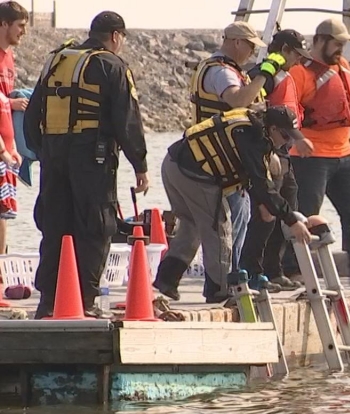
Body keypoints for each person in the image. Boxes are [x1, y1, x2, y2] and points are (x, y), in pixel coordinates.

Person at [24, 11, 148, 319]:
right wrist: (140, 165)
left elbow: (32, 114)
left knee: (55, 224)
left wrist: (42, 150)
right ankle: (86, 300)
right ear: (115, 36)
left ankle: (48, 302)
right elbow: (127, 120)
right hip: (93, 156)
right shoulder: (111, 65)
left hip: (53, 153)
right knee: (95, 224)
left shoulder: (56, 61)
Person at [152, 106, 313, 303]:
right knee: (219, 227)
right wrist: (292, 221)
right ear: (272, 130)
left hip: (173, 163)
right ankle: (219, 291)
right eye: (286, 137)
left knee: (192, 225)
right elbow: (262, 183)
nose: (287, 143)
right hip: (194, 174)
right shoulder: (253, 139)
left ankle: (166, 279)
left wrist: (266, 204)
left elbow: (249, 176)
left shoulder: (251, 127)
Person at [189, 21, 281, 292]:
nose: (252, 53)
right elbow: (238, 101)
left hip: (227, 155)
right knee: (231, 223)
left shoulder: (230, 71)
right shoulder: (221, 72)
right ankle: (225, 285)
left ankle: (233, 280)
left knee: (240, 217)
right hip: (220, 158)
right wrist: (264, 75)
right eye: (251, 46)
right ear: (237, 42)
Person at [284, 17, 350, 286]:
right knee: (305, 215)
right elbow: (284, 112)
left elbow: (346, 106)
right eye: (336, 44)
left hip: (345, 156)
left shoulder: (342, 67)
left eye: (343, 45)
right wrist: (296, 139)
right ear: (320, 40)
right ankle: (294, 269)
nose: (340, 50)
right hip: (310, 158)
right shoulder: (300, 72)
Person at [238, 29, 314, 292]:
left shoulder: (287, 75)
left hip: (284, 150)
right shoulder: (265, 75)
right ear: (283, 50)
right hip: (269, 150)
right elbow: (255, 110)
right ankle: (254, 271)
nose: (299, 61)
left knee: (287, 206)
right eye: (296, 54)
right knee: (266, 212)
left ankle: (274, 269)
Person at [0, 0, 27, 255]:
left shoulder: (9, 58)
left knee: (5, 210)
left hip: (7, 144)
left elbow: (4, 107)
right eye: (19, 26)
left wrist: (15, 145)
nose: (23, 31)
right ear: (4, 24)